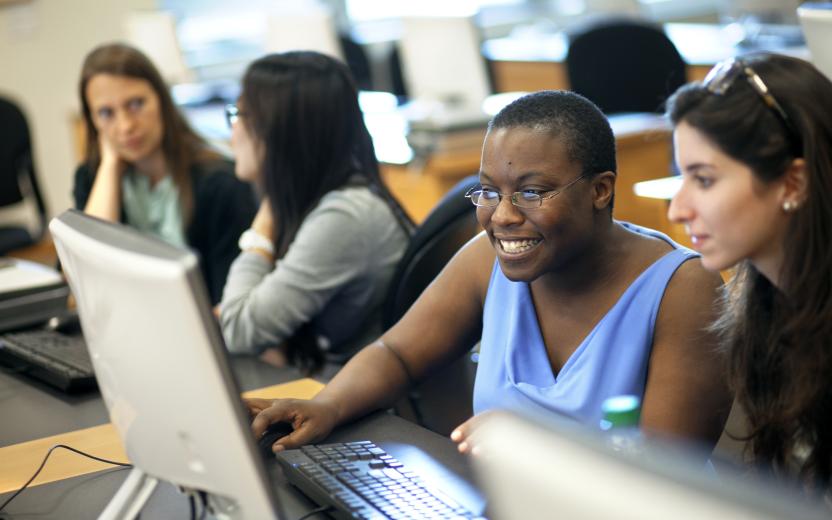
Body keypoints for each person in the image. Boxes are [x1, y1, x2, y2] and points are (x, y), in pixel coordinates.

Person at [246, 90, 732, 456]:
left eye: (531, 191)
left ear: (601, 191)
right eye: (489, 192)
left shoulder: (684, 290)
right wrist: (328, 406)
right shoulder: (488, 259)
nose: (501, 216)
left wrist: (539, 448)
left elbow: (667, 475)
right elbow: (397, 354)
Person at [666, 53, 832, 495]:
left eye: (703, 180)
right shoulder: (761, 314)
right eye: (680, 177)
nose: (677, 209)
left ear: (793, 184)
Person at [219, 52, 412, 371]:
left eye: (240, 114)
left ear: (280, 131)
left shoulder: (344, 217)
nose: (233, 130)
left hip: (358, 403)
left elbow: (238, 330)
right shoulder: (330, 199)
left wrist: (262, 228)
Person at [74, 43, 256, 305]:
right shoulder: (93, 178)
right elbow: (82, 281)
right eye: (106, 113)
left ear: (162, 100)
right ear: (91, 120)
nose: (125, 126)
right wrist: (111, 166)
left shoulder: (219, 182)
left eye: (136, 104)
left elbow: (229, 303)